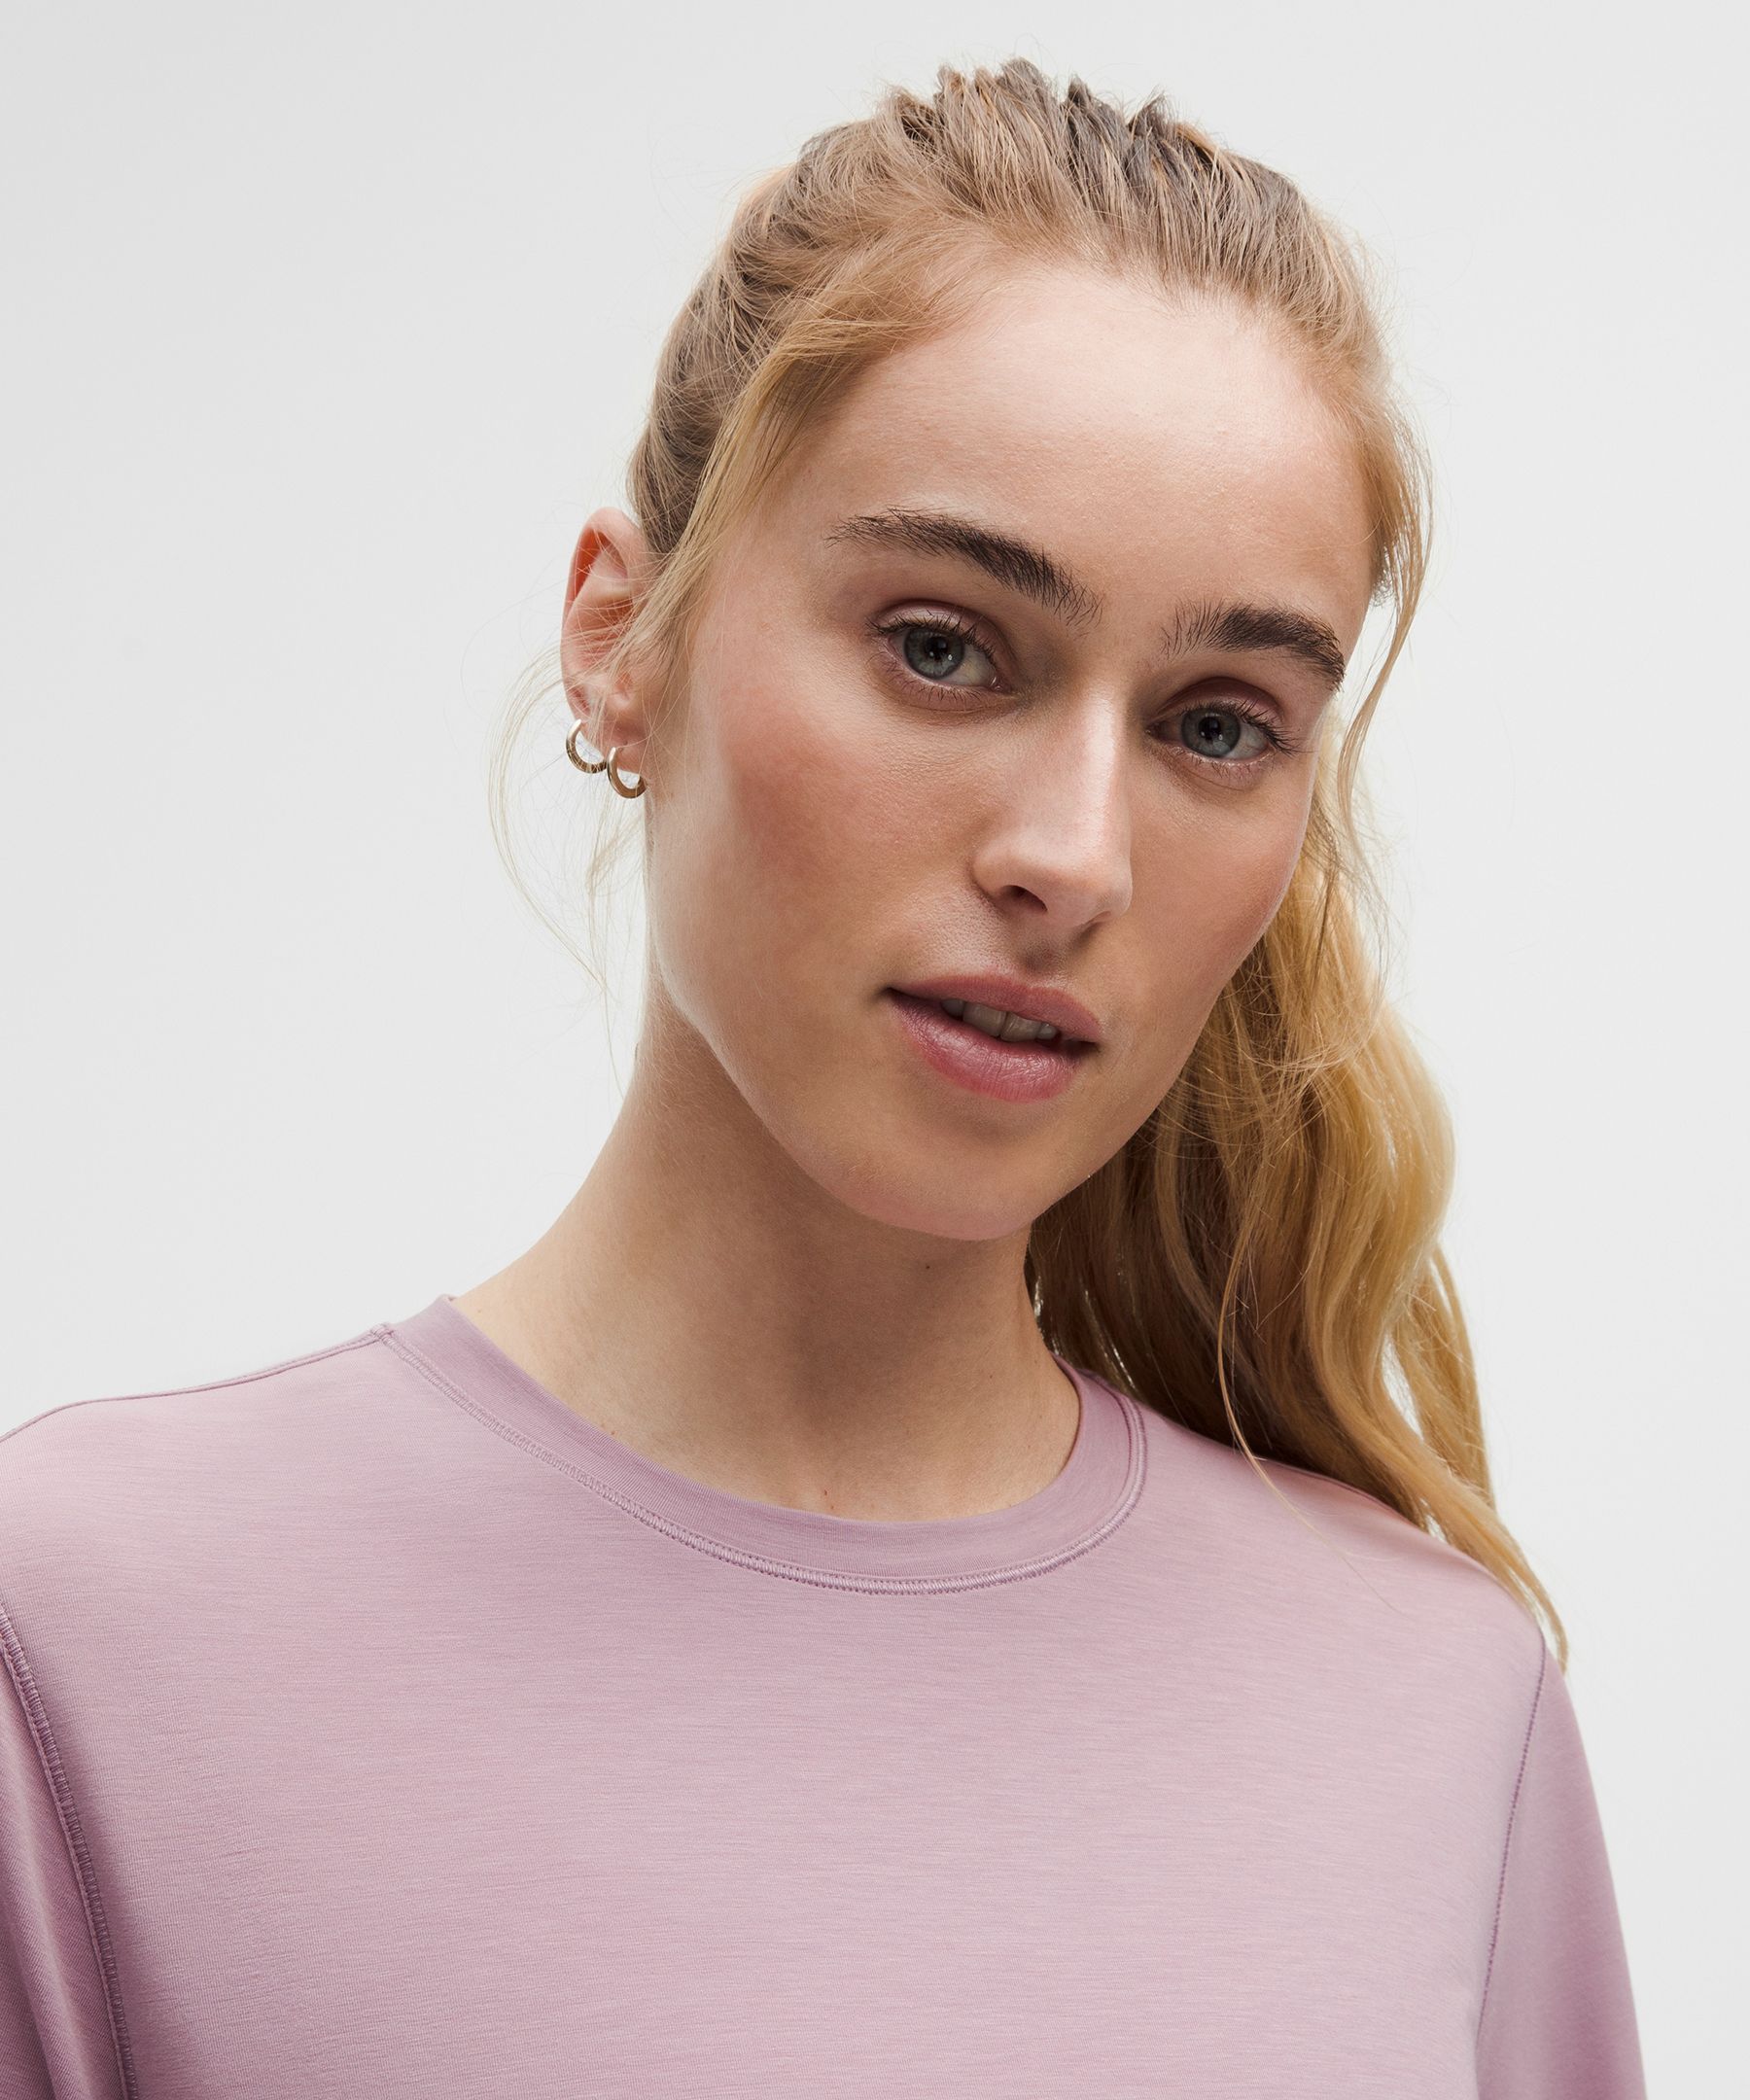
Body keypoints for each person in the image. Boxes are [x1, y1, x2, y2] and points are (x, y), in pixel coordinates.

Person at [0, 56, 1644, 2098]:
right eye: (945, 647)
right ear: (625, 640)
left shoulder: (1438, 1715)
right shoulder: (85, 1644)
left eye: (1217, 725)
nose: (1074, 854)